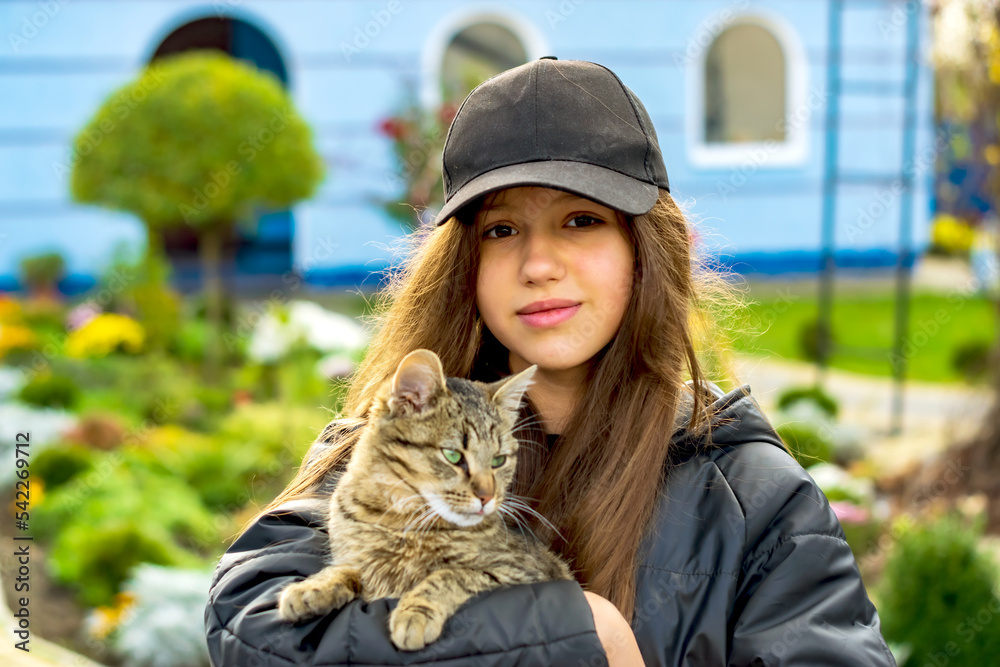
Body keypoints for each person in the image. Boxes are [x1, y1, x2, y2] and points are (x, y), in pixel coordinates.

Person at [205, 57, 896, 666]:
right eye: (503, 230)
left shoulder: (755, 498)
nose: (538, 264)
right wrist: (578, 631)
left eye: (581, 220)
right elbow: (252, 624)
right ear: (467, 268)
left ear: (644, 249)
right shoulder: (390, 448)